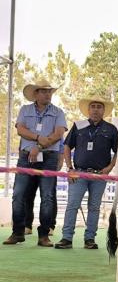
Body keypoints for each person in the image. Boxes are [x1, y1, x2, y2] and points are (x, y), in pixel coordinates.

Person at [3, 80, 67, 247]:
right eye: (44, 91)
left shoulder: (58, 112)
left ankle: (44, 235)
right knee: (18, 195)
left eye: (50, 91)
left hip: (49, 158)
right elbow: (20, 130)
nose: (48, 94)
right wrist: (38, 138)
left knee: (47, 197)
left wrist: (38, 147)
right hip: (25, 157)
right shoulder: (25, 109)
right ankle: (18, 232)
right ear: (36, 94)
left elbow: (58, 134)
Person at [55, 96, 118, 249]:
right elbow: (67, 147)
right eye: (93, 106)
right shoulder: (78, 126)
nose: (96, 109)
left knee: (94, 207)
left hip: (99, 175)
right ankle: (67, 238)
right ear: (88, 110)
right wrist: (69, 168)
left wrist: (109, 168)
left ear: (103, 110)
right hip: (79, 173)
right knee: (72, 205)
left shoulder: (111, 129)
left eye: (99, 107)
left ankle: (90, 239)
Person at [24, 140, 65, 236]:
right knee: (27, 195)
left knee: (49, 196)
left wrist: (60, 161)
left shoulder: (54, 128)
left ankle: (50, 226)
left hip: (49, 163)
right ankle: (27, 225)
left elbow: (61, 146)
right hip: (31, 163)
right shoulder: (30, 129)